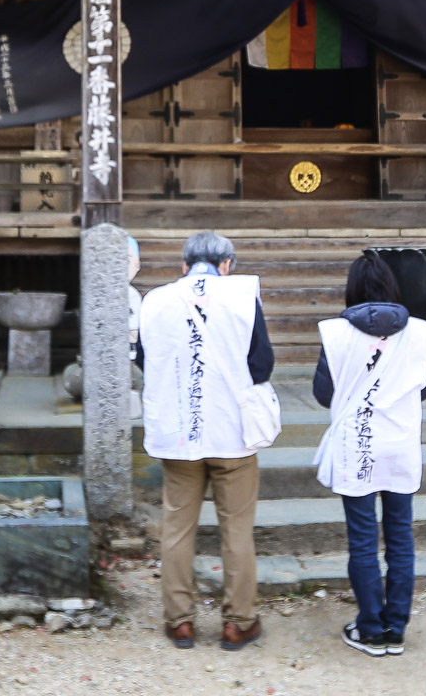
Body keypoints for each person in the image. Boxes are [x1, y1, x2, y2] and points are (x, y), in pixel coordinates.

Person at [135, 231, 274, 650]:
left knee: (177, 526)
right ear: (227, 265)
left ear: (184, 266)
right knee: (237, 530)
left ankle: (180, 621)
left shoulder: (155, 300)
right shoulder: (242, 296)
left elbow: (144, 359)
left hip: (180, 433)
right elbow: (262, 364)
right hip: (232, 433)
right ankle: (238, 622)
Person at [311, 253, 426, 657]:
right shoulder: (419, 332)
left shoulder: (335, 332)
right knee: (400, 535)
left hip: (356, 444)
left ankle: (370, 627)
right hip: (399, 442)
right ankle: (396, 627)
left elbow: (323, 393)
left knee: (363, 540)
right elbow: (425, 388)